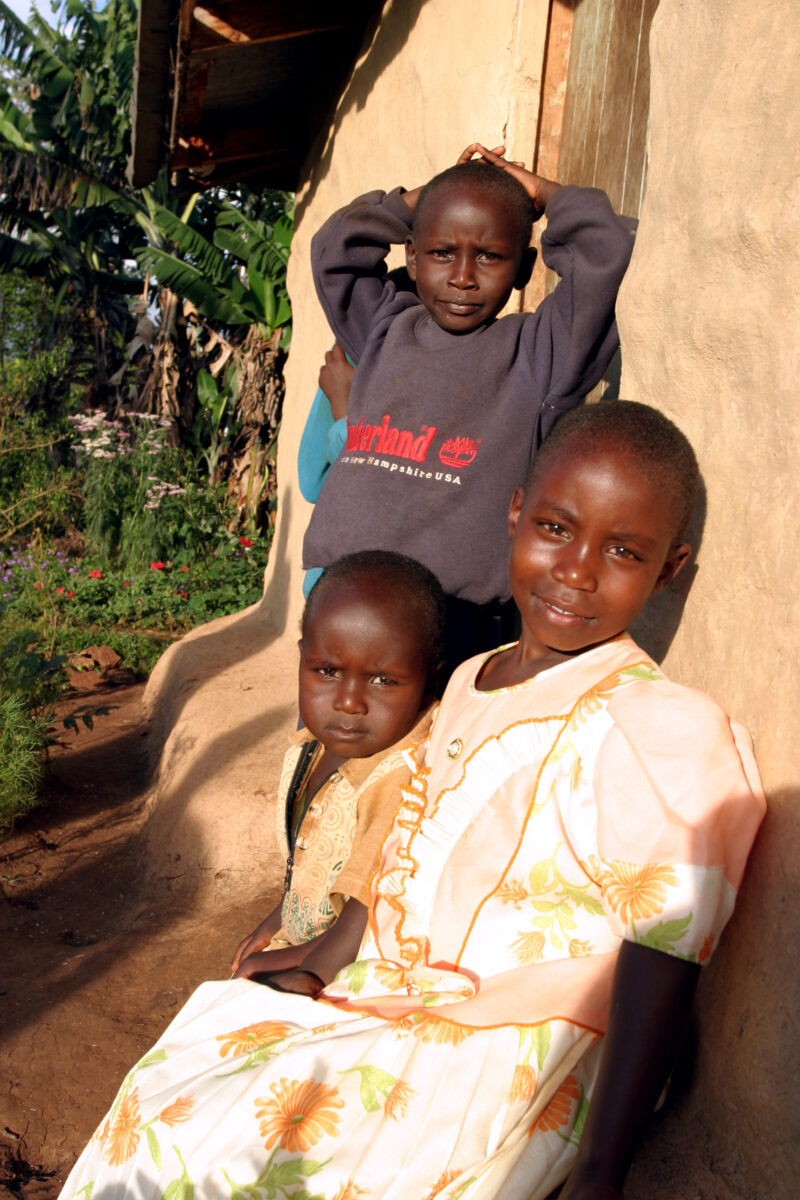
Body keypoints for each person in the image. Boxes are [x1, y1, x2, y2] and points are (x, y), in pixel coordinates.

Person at [58, 403, 764, 1200]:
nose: (576, 570)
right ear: (515, 512)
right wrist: (327, 958)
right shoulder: (469, 678)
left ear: (669, 569)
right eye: (556, 529)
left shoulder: (657, 726)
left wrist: (601, 1173)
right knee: (178, 1085)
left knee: (241, 1159)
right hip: (406, 994)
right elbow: (414, 838)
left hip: (509, 1048)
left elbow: (663, 954)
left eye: (623, 551)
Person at [303, 142, 637, 676]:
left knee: (447, 733)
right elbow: (335, 248)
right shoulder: (384, 329)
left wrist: (541, 192)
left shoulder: (538, 357)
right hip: (342, 601)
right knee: (332, 725)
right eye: (442, 253)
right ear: (412, 257)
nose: (462, 276)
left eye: (488, 256)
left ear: (524, 268)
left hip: (456, 623)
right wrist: (419, 198)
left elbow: (606, 250)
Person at [230, 549, 444, 985]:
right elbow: (310, 868)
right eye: (327, 671)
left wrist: (306, 967)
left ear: (429, 678)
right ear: (302, 657)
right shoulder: (310, 747)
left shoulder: (400, 777)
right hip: (310, 946)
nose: (348, 702)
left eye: (382, 680)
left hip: (350, 966)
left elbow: (371, 907)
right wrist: (279, 918)